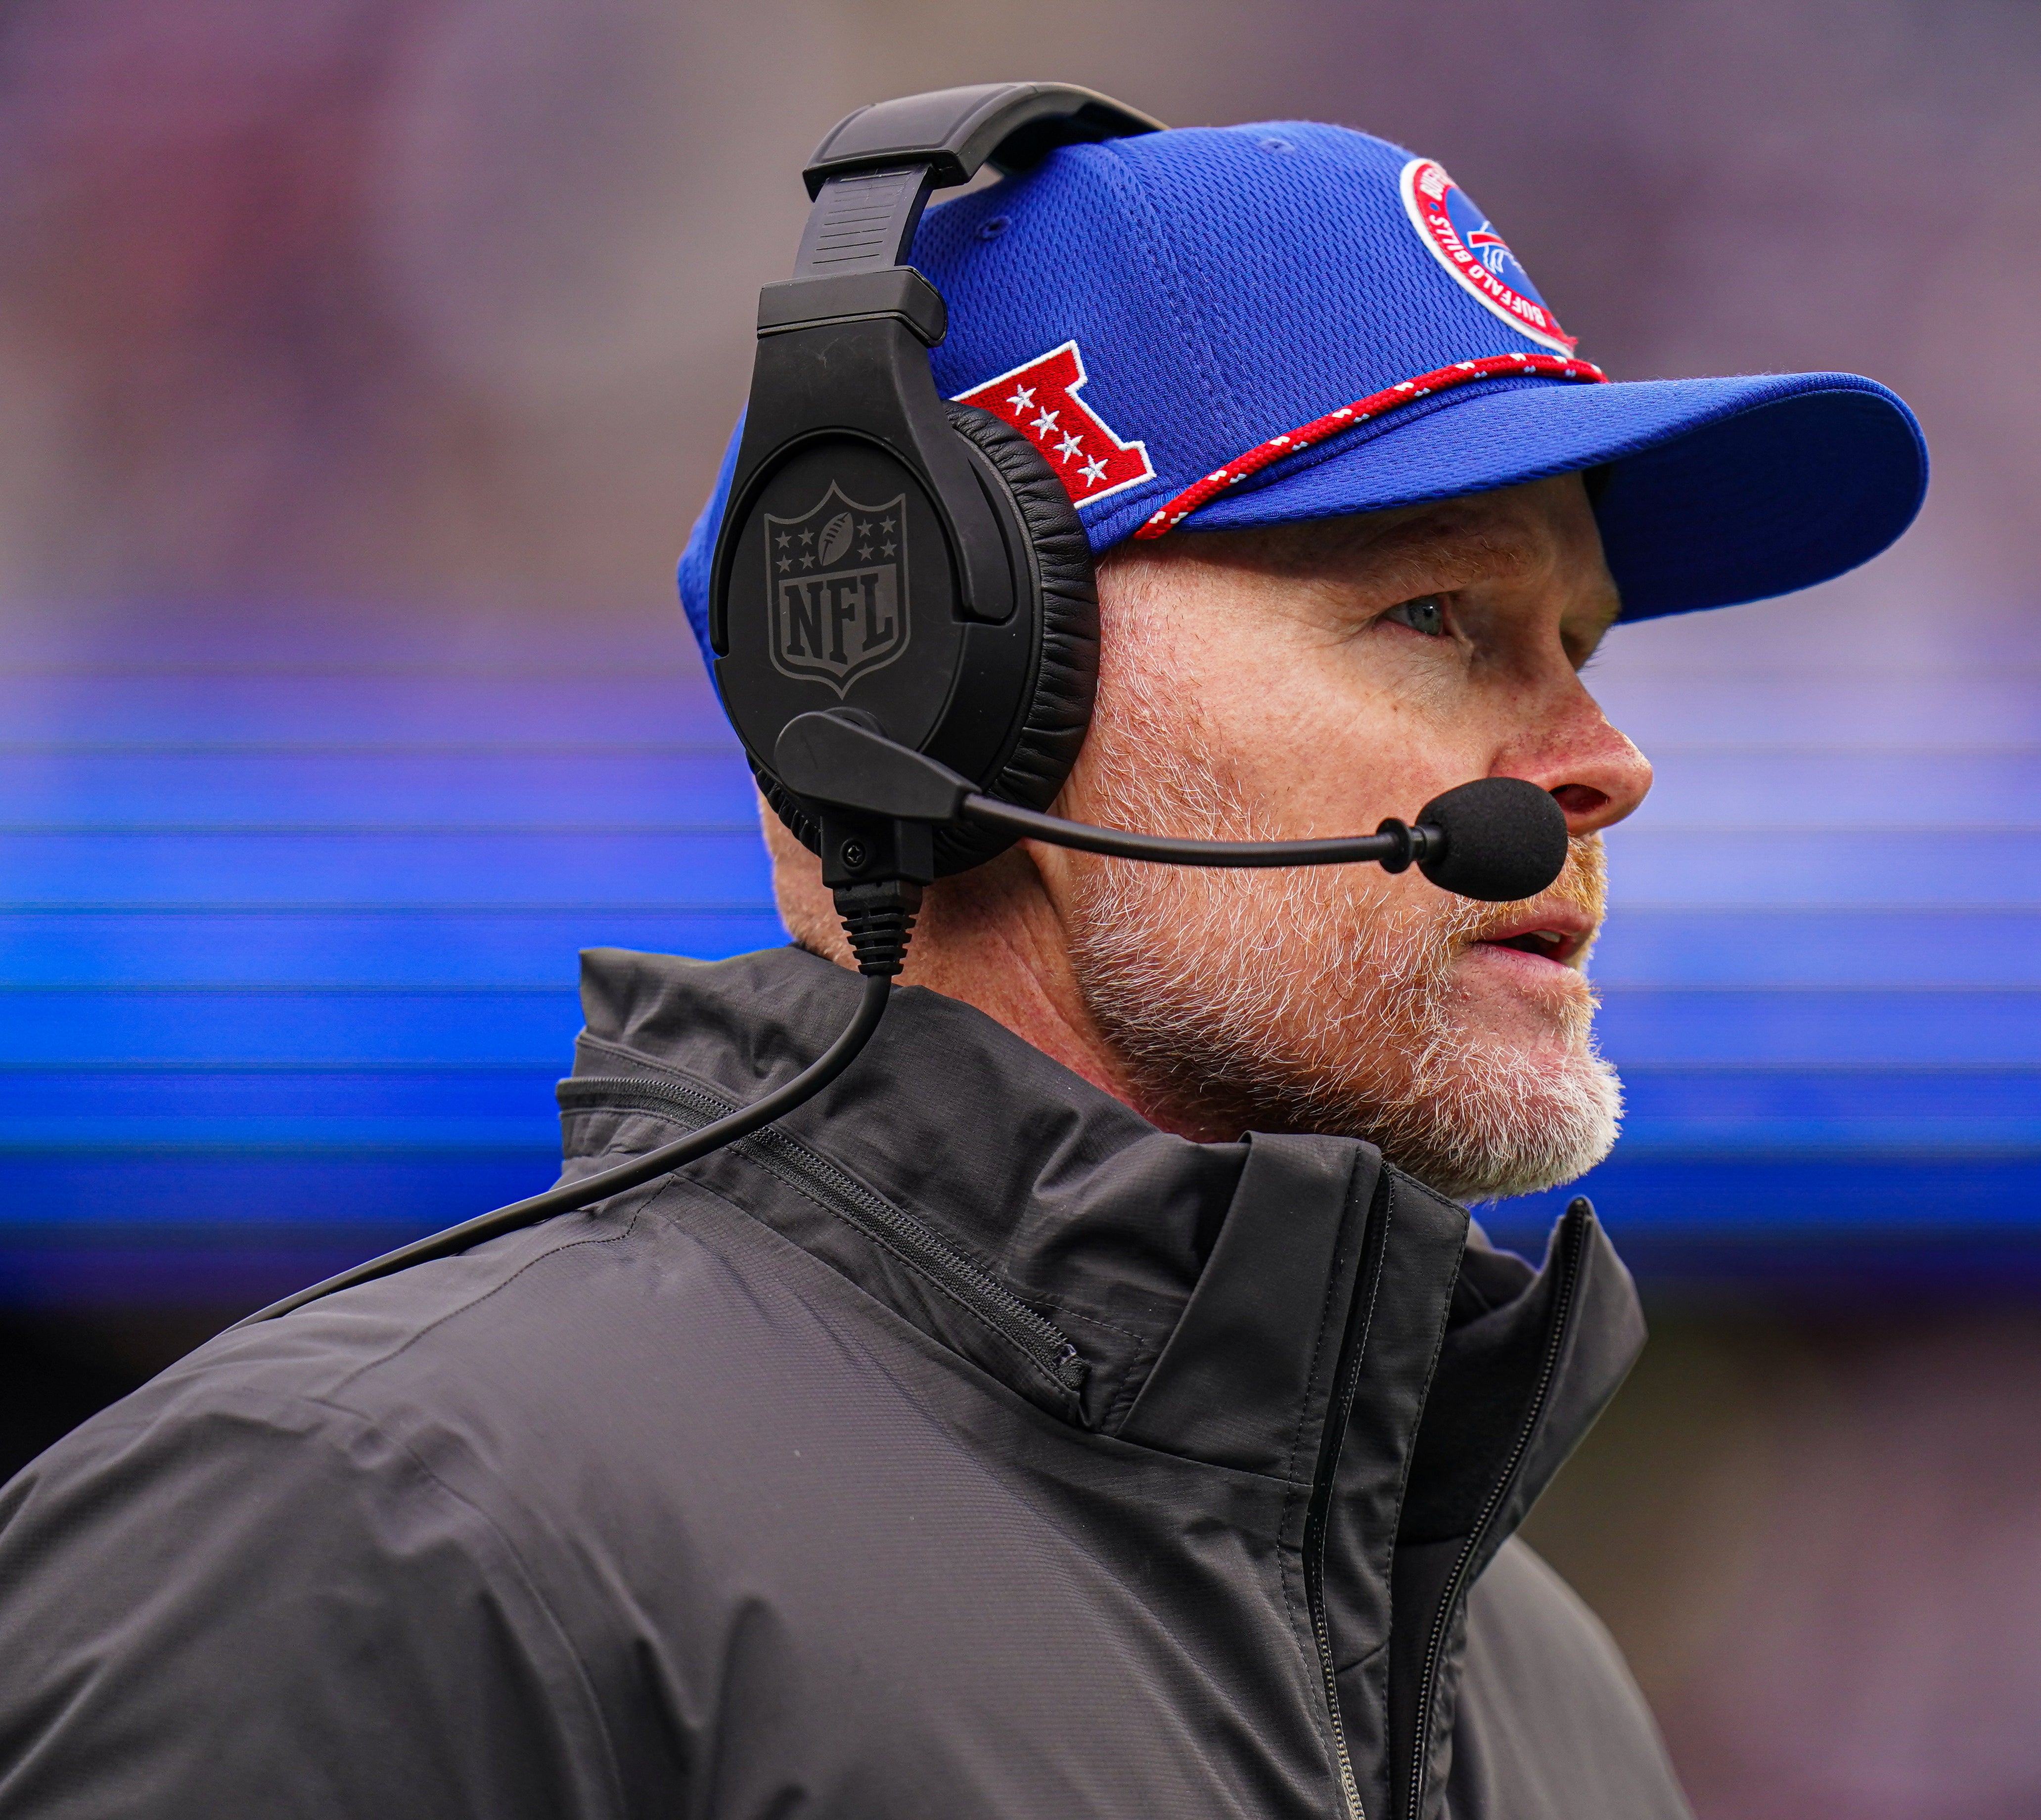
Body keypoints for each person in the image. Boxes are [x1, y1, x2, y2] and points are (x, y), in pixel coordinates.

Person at [0, 114, 1922, 1818]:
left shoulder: (1544, 1684)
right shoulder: (377, 1540)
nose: (1606, 758)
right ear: (942, 693)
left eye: (1584, 637)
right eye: (1436, 615)